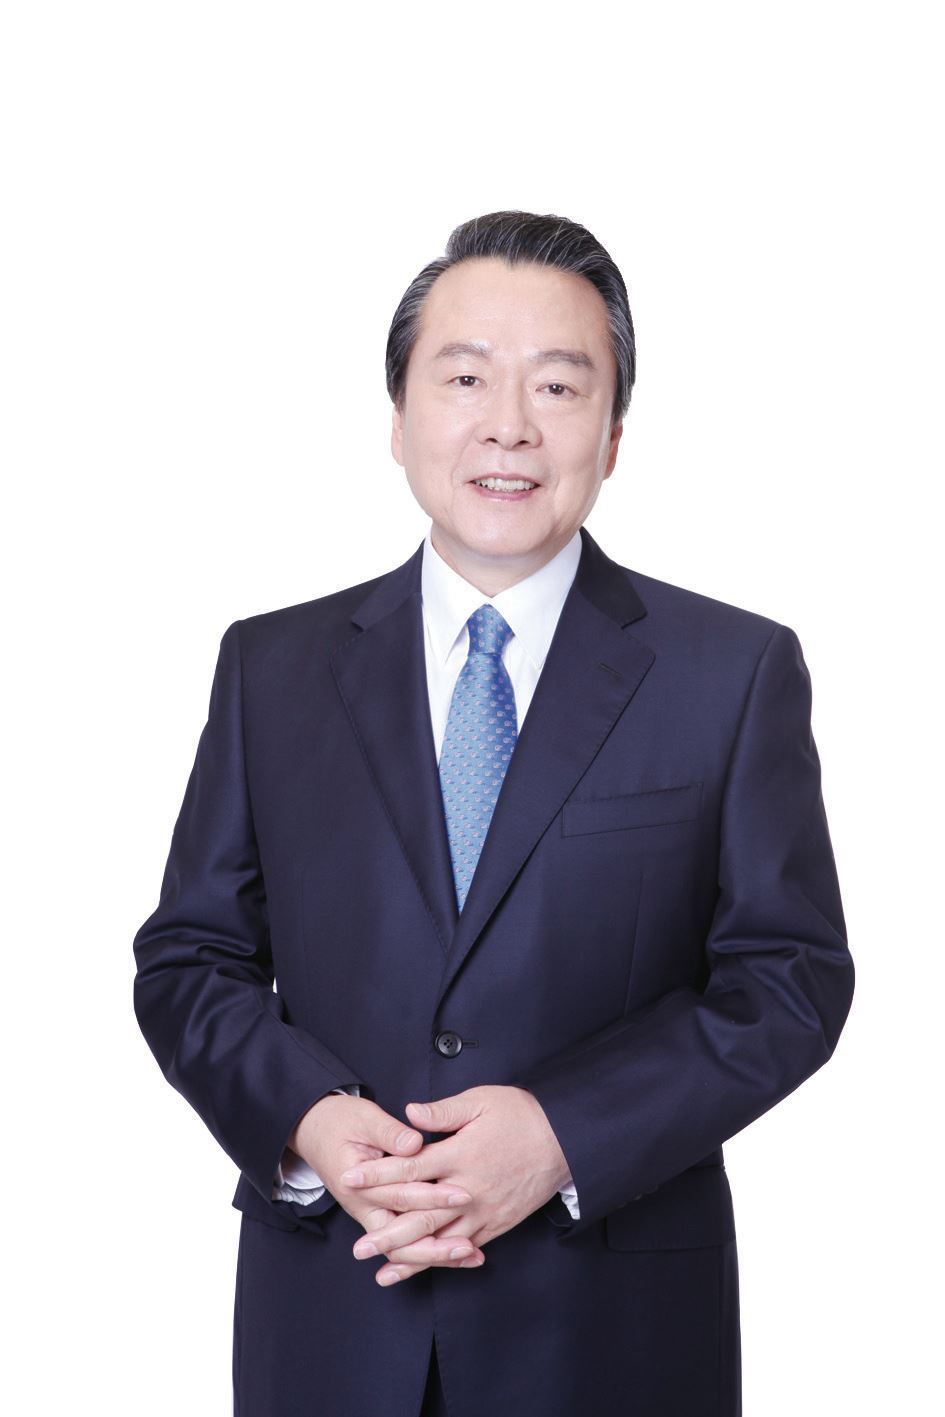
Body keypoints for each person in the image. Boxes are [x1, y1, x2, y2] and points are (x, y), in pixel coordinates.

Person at [132, 209, 855, 1416]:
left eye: (558, 385)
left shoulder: (729, 673)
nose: (509, 425)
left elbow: (790, 980)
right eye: (465, 378)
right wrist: (309, 1120)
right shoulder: (274, 667)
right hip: (333, 1324)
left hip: (613, 1339)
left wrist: (566, 1134)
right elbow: (190, 959)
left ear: (613, 433)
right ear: (399, 417)